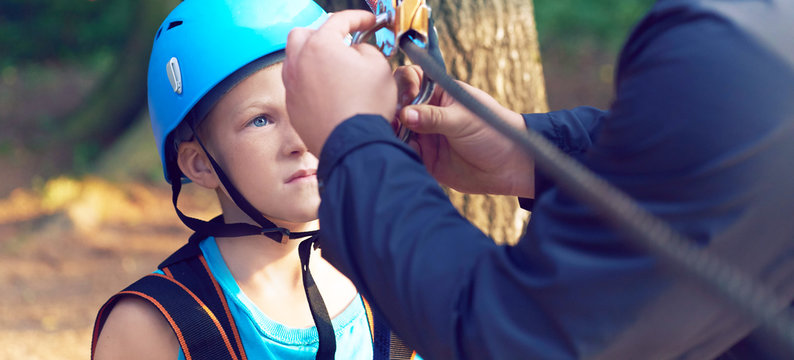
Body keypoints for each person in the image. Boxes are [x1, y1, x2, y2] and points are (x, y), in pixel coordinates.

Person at [281, 0, 794, 359]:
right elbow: (715, 179)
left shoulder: (739, 49)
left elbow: (523, 336)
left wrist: (355, 141)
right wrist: (534, 153)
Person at [91, 1, 416, 359]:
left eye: (311, 104)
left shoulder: (400, 288)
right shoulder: (151, 327)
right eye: (261, 120)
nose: (300, 140)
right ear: (200, 165)